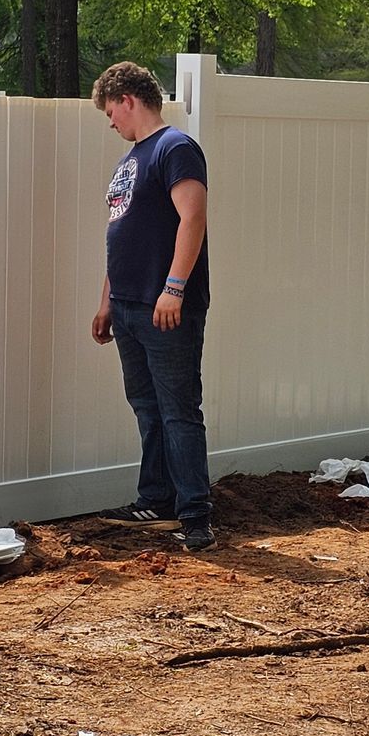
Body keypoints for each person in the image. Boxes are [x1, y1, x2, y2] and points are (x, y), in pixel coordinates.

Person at [88, 61, 214, 552]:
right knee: (146, 407)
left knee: (179, 409)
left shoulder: (175, 148)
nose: (110, 121)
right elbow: (122, 238)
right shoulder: (129, 161)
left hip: (166, 308)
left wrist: (174, 288)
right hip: (127, 307)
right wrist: (106, 303)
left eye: (110, 111)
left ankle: (195, 514)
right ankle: (156, 499)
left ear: (127, 99)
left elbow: (193, 217)